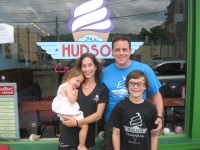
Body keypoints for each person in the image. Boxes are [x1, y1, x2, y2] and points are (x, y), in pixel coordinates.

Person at [102, 36, 163, 150]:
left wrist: (159, 116)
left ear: (130, 51)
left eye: (124, 49)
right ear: (112, 52)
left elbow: (156, 94)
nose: (121, 53)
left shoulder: (144, 69)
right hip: (112, 123)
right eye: (117, 50)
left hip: (140, 121)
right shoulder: (105, 72)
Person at [59, 53, 108, 150]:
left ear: (95, 66)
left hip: (87, 140)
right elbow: (62, 102)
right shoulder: (75, 85)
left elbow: (98, 115)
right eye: (84, 66)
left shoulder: (101, 89)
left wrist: (77, 122)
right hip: (68, 137)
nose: (87, 69)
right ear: (80, 68)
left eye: (90, 65)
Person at [108, 70, 158, 150]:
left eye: (139, 84)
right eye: (132, 83)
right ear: (127, 85)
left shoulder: (151, 108)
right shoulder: (120, 107)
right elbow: (116, 133)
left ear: (145, 86)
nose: (135, 87)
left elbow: (154, 135)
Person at [52, 66, 88, 150]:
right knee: (85, 126)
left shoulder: (62, 86)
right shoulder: (68, 87)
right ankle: (81, 145)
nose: (78, 84)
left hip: (64, 112)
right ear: (69, 77)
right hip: (68, 112)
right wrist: (75, 94)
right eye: (77, 80)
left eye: (80, 82)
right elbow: (72, 100)